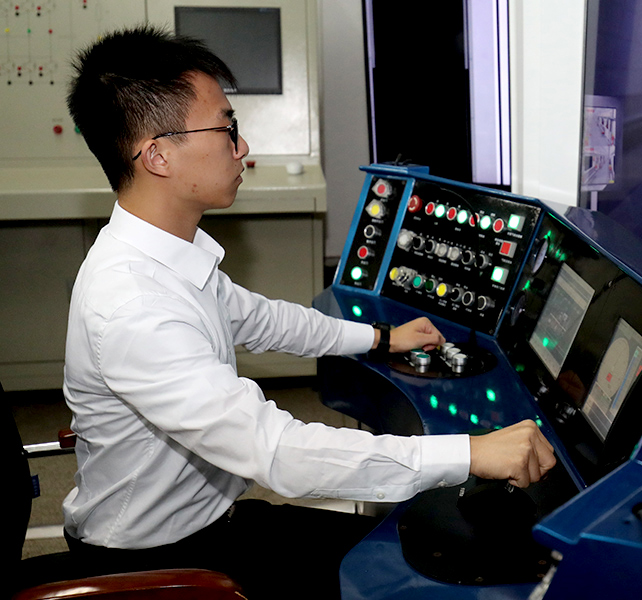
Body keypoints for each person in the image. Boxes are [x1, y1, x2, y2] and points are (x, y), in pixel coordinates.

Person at [61, 25, 556, 598]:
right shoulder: (135, 305)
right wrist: (471, 452)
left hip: (214, 521)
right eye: (226, 128)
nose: (242, 147)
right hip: (159, 565)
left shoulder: (168, 257)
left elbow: (265, 320)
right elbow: (277, 452)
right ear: (158, 155)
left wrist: (380, 338)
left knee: (395, 550)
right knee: (411, 580)